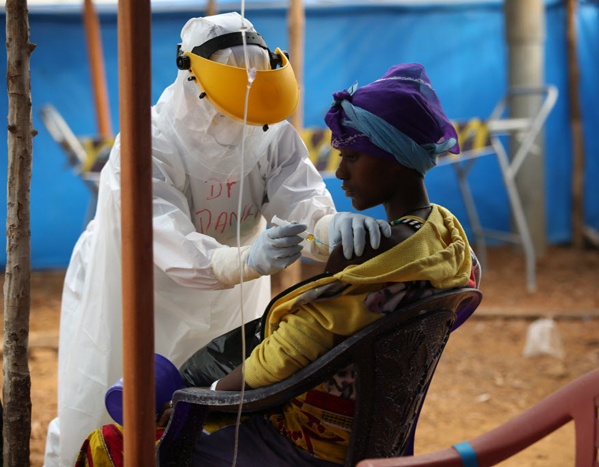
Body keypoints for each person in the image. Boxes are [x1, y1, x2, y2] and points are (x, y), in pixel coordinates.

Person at [76, 63, 477, 467]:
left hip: (299, 443)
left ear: (394, 159)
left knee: (109, 444)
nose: (339, 172)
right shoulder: (443, 234)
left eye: (352, 156)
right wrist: (274, 247)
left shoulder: (366, 255)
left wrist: (199, 400)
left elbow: (286, 354)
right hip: (367, 434)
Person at [45, 12, 391, 467]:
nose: (243, 118)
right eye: (233, 101)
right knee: (116, 399)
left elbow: (298, 197)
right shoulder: (150, 142)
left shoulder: (266, 127)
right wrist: (244, 260)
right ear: (195, 82)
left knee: (217, 406)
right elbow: (163, 237)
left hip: (236, 289)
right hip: (139, 291)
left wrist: (327, 227)